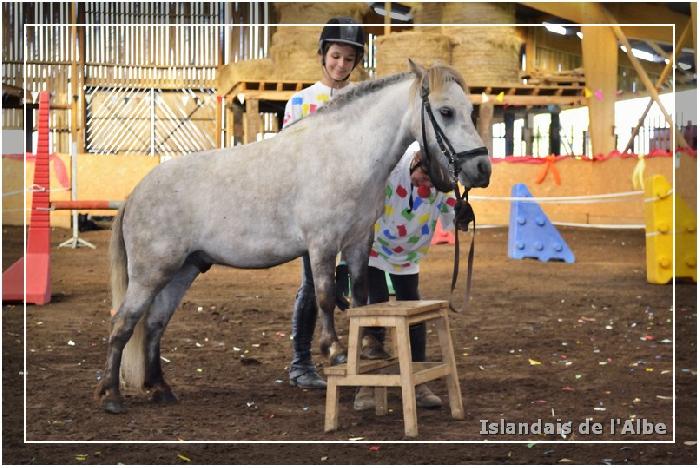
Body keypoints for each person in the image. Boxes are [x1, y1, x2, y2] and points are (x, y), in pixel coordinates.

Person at [284, 17, 366, 389]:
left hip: (353, 214)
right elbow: (287, 158)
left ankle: (363, 355)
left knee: (353, 282)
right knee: (311, 283)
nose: (341, 65)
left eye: (349, 59)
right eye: (335, 56)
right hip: (314, 214)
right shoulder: (300, 102)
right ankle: (301, 362)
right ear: (323, 55)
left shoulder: (364, 101)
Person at [353, 142, 457, 410]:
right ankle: (368, 384)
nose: (425, 185)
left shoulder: (443, 176)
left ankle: (418, 381)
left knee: (413, 308)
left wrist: (461, 215)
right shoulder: (391, 163)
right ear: (417, 160)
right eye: (422, 177)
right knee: (374, 309)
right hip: (374, 246)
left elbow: (451, 214)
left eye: (430, 182)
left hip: (409, 252)